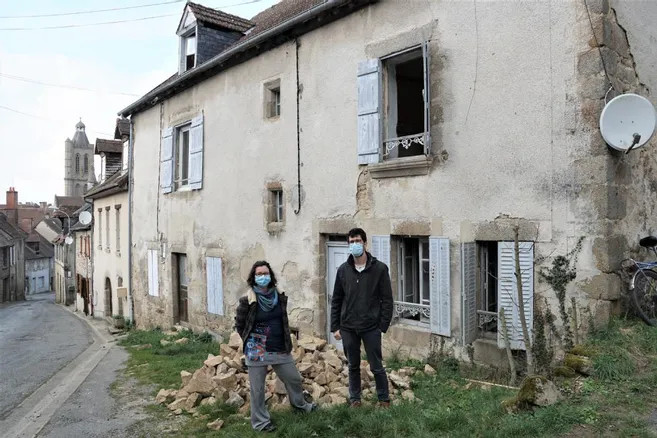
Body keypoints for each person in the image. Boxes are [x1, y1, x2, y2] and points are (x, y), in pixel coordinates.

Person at [235, 260, 316, 432]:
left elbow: (283, 320)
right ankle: (261, 423)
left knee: (293, 378)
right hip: (257, 349)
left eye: (265, 273)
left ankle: (301, 406)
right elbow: (240, 324)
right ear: (253, 277)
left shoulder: (278, 296)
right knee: (257, 390)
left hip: (279, 346)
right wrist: (249, 341)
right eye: (259, 274)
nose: (262, 277)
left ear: (270, 276)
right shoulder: (247, 299)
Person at [330, 228, 394, 407]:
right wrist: (335, 327)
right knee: (353, 366)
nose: (354, 244)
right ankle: (355, 399)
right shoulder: (343, 270)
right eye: (351, 242)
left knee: (376, 366)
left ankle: (384, 399)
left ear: (365, 243)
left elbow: (387, 300)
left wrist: (382, 326)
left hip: (371, 327)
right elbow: (336, 300)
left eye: (357, 241)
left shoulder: (379, 269)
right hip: (348, 326)